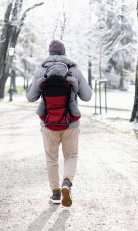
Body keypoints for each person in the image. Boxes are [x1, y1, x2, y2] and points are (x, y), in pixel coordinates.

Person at [26, 40, 92, 207]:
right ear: (64, 52)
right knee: (71, 155)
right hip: (71, 122)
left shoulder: (41, 70)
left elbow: (30, 97)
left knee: (51, 158)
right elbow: (87, 96)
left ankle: (55, 194)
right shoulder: (74, 70)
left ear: (49, 53)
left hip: (48, 123)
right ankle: (66, 184)